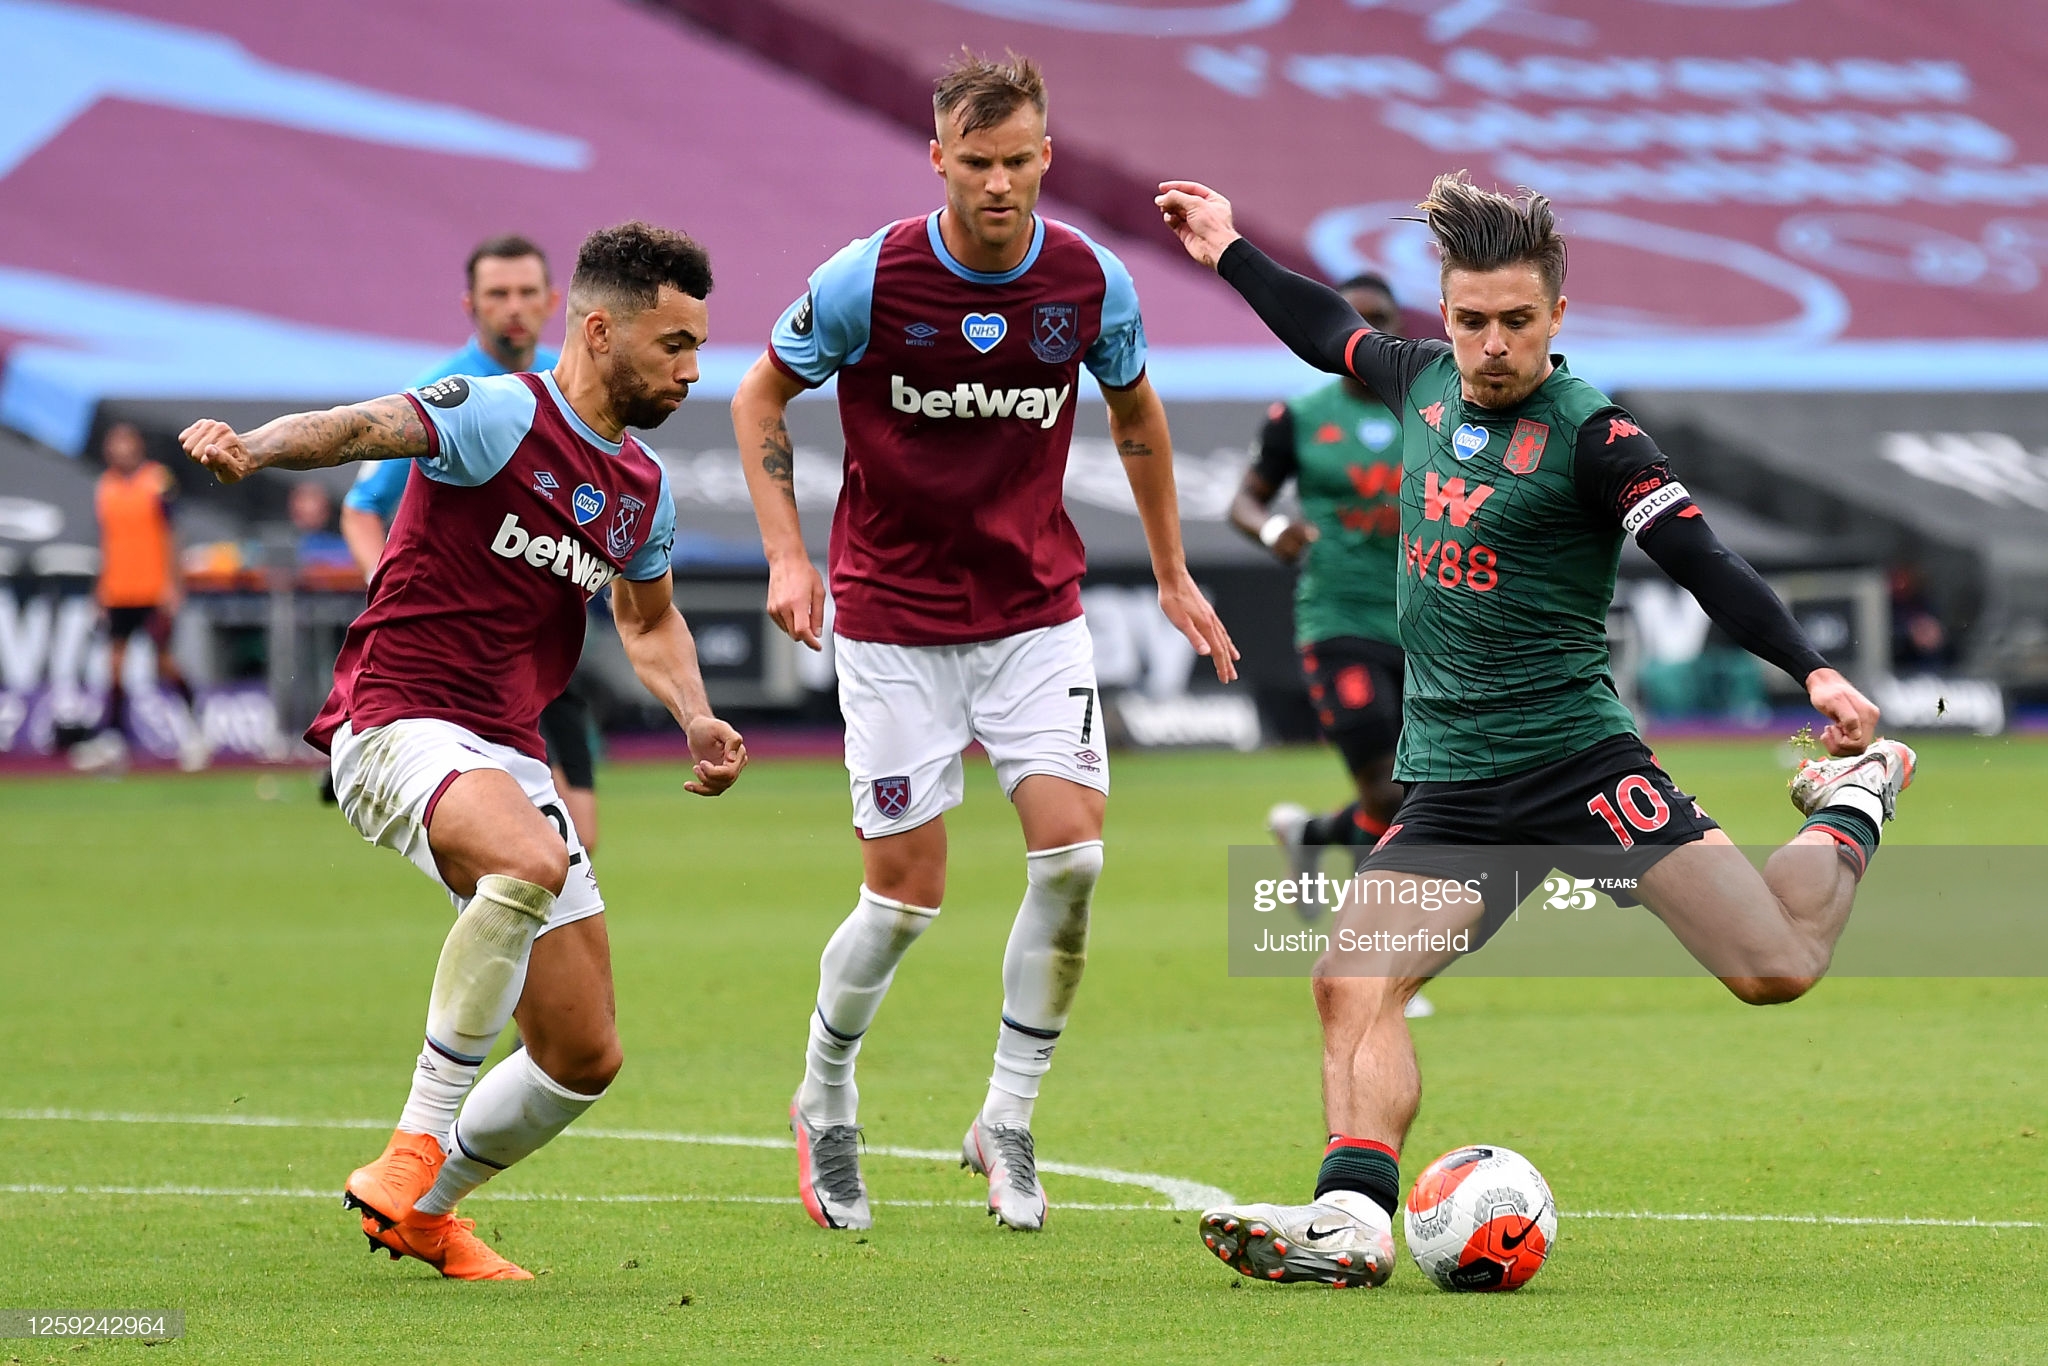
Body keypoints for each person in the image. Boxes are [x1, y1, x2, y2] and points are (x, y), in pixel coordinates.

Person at [1157, 172, 1916, 1287]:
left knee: (1774, 969)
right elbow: (1326, 331)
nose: (1492, 345)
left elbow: (1703, 562)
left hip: (1577, 764)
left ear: (1556, 315)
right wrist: (1226, 244)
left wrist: (1810, 668)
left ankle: (1851, 802)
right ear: (1444, 316)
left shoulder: (1597, 436)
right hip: (1456, 784)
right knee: (1346, 977)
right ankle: (1352, 1219)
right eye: (1471, 321)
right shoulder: (1416, 382)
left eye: (1517, 321)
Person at [179, 221, 747, 1280]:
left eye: (696, 345)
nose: (691, 368)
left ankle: (427, 1211)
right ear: (599, 330)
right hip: (394, 721)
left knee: (582, 1056)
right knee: (531, 858)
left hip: (506, 748)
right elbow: (359, 429)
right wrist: (254, 447)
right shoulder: (497, 413)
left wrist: (695, 714)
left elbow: (651, 618)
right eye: (673, 344)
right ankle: (411, 1145)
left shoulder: (643, 489)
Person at [731, 52, 1236, 1233]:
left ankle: (1004, 1118)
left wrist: (1169, 570)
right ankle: (824, 1098)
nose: (999, 184)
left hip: (1031, 615)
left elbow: (1137, 415)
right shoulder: (869, 278)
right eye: (976, 162)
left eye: (1018, 162)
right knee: (905, 898)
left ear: (1045, 157)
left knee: (1073, 861)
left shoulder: (1090, 282)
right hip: (895, 621)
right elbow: (759, 396)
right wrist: (787, 555)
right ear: (938, 160)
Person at [338, 237, 603, 850]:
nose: (514, 306)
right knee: (515, 854)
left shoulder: (567, 393)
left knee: (576, 849)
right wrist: (393, 590)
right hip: (457, 657)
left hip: (542, 647)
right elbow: (359, 510)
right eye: (497, 294)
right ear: (470, 305)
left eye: (526, 292)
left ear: (552, 301)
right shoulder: (442, 394)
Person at [1236, 273, 1433, 1018]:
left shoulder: (1436, 411)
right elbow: (1244, 500)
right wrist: (1271, 529)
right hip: (1339, 621)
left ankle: (1313, 833)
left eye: (1379, 322)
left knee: (1423, 794)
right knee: (1389, 790)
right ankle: (1377, 960)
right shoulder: (1300, 416)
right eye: (1354, 321)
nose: (1365, 336)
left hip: (1429, 624)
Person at [73, 421, 208, 773]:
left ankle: (195, 731)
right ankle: (115, 742)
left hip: (153, 587)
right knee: (114, 666)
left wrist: (173, 584)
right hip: (119, 589)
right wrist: (100, 589)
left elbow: (171, 533)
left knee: (164, 663)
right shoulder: (105, 487)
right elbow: (106, 542)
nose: (119, 450)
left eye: (125, 443)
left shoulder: (157, 480)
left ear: (137, 446)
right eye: (113, 444)